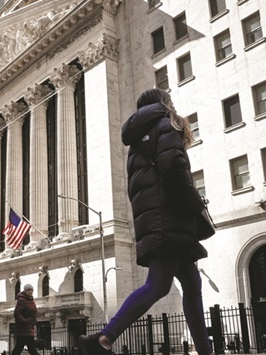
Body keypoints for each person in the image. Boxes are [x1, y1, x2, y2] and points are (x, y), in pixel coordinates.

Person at [79, 88, 212, 355]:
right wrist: (196, 205)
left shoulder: (137, 141)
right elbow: (174, 166)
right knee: (158, 285)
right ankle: (105, 336)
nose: (173, 104)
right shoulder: (166, 124)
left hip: (157, 220)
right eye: (169, 100)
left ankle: (208, 351)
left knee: (192, 285)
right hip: (170, 219)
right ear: (163, 103)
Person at [11, 284, 39, 355]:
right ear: (25, 291)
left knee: (20, 348)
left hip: (29, 328)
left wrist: (34, 321)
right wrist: (24, 321)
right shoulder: (22, 300)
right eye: (28, 290)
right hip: (23, 328)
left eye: (31, 290)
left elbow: (32, 313)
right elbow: (17, 313)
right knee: (31, 348)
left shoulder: (31, 300)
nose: (30, 292)